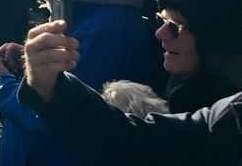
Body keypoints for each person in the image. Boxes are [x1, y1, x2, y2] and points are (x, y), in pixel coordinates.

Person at [0, 0, 154, 166]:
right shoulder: (86, 10)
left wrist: (5, 85)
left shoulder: (101, 30)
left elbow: (55, 115)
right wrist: (30, 59)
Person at [18, 20, 242, 166]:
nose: (160, 32)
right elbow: (140, 142)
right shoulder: (231, 115)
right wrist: (51, 87)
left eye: (177, 25)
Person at [152, 0, 242, 113]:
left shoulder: (226, 119)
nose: (159, 34)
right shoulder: (183, 82)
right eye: (161, 21)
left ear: (215, 39)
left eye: (175, 26)